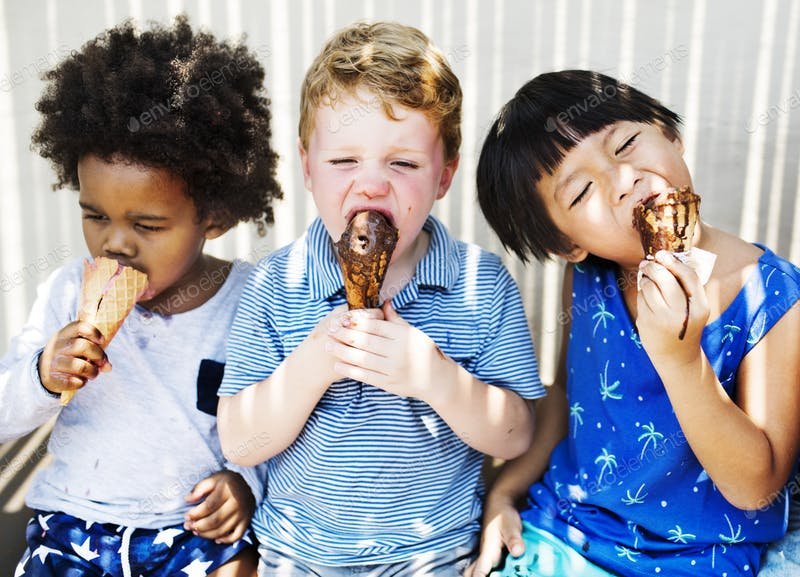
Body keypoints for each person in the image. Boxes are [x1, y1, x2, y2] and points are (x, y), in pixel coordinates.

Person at [217, 21, 545, 576]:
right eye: (344, 161)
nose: (371, 184)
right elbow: (241, 441)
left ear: (444, 175)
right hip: (297, 558)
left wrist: (437, 377)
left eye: (404, 163)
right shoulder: (276, 283)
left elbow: (516, 434)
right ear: (306, 167)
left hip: (434, 559)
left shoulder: (480, 285)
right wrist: (315, 362)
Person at [469, 70, 800, 577]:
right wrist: (505, 494)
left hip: (700, 557)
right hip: (566, 530)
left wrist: (682, 361)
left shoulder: (770, 296)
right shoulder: (586, 278)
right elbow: (565, 401)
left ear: (671, 135)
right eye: (581, 194)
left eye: (625, 143)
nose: (624, 181)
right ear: (567, 244)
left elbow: (757, 487)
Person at [0, 16, 282, 577]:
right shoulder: (65, 292)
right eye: (95, 215)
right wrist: (43, 373)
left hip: (192, 531)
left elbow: (279, 423)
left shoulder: (253, 301)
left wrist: (245, 484)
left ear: (216, 217)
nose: (115, 242)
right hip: (73, 521)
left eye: (148, 225)